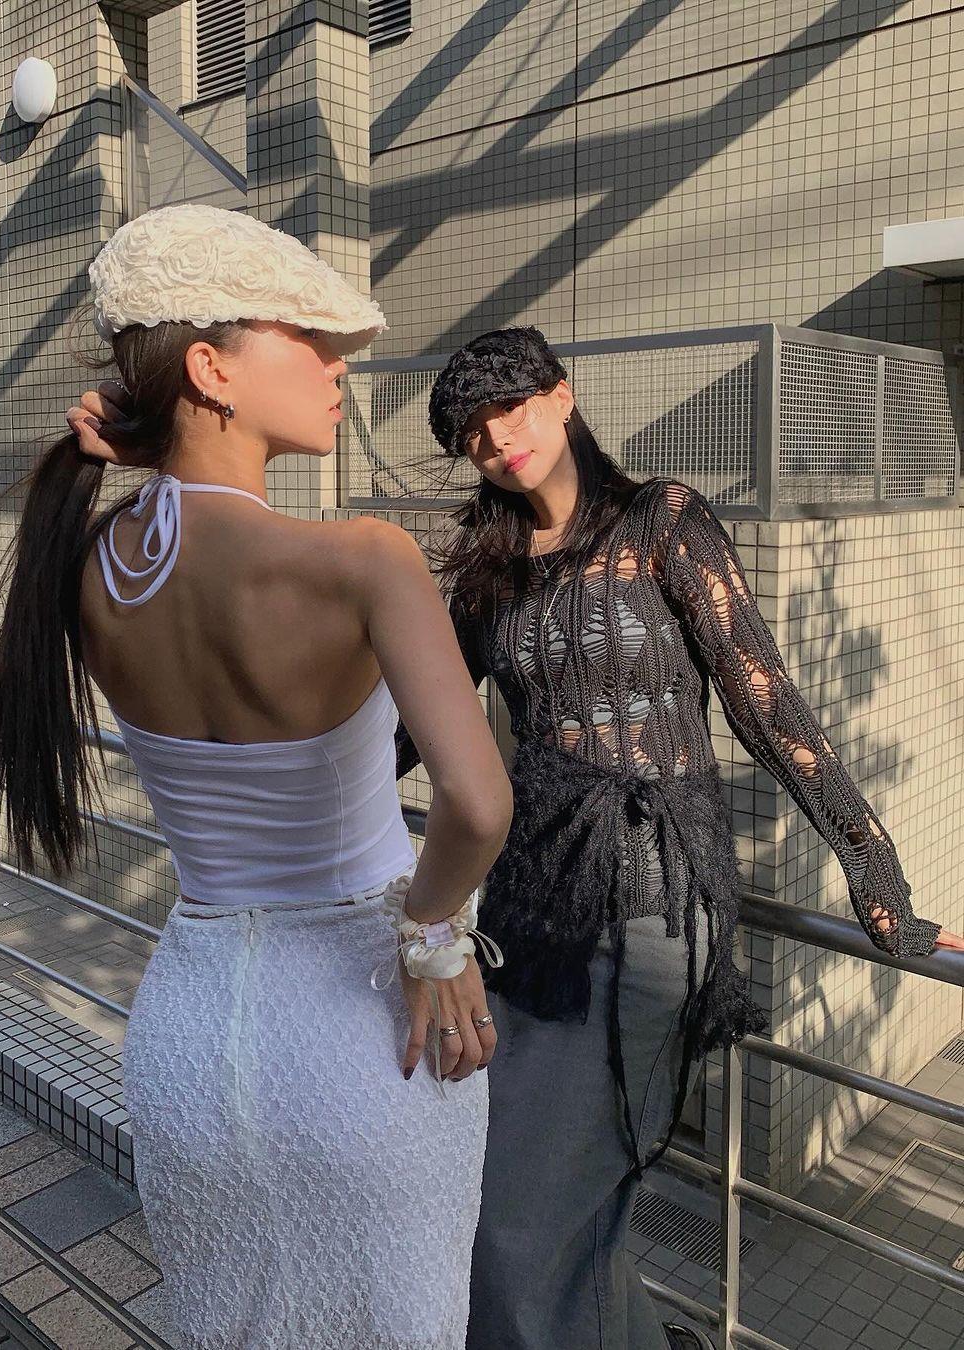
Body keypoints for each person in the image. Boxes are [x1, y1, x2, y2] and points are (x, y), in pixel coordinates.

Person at [0, 203, 513, 1350]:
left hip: (191, 1038)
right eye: (310, 339)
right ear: (211, 368)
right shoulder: (363, 558)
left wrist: (153, 452)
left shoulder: (90, 566)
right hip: (365, 1029)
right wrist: (431, 934)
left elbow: (182, 518)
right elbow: (479, 803)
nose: (340, 367)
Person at [395, 326, 963, 1350]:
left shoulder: (662, 519)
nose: (496, 438)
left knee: (518, 1224)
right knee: (539, 1203)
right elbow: (411, 729)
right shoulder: (489, 573)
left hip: (653, 906)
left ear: (562, 397)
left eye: (510, 407)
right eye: (472, 431)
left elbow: (765, 701)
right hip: (527, 913)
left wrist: (876, 876)